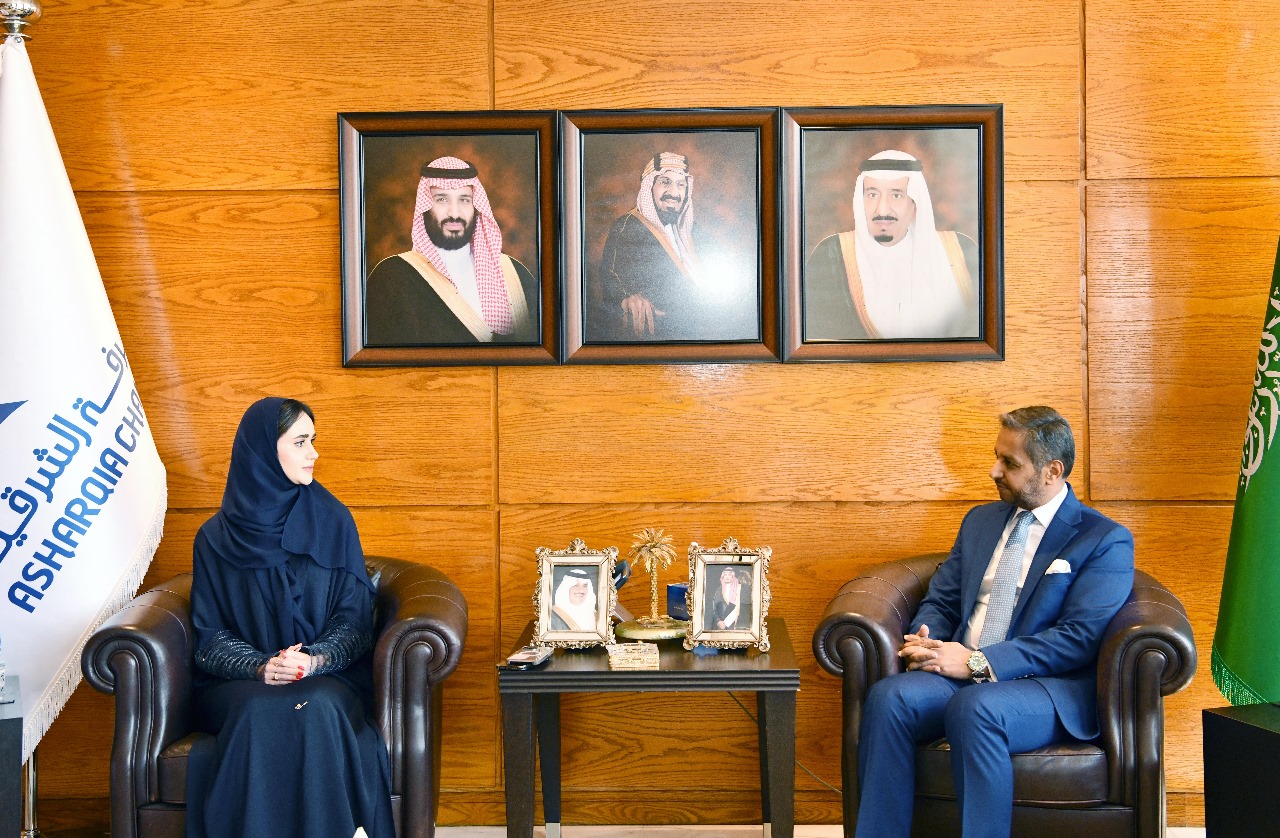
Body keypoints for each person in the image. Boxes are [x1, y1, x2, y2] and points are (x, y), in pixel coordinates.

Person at [854, 406, 1134, 838]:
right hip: (956, 670)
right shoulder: (980, 522)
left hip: (1042, 687)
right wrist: (927, 637)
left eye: (1010, 463)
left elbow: (1078, 638)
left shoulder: (1102, 539)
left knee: (976, 708)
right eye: (996, 457)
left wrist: (978, 662)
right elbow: (943, 599)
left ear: (1052, 471)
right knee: (890, 698)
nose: (994, 471)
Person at [185, 397, 394, 838]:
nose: (313, 453)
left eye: (312, 440)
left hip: (326, 676)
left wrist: (312, 660)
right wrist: (261, 667)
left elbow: (354, 623)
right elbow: (209, 636)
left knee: (313, 705)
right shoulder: (214, 538)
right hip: (241, 683)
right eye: (300, 442)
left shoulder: (333, 521)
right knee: (260, 709)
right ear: (263, 450)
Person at [805, 149, 980, 341]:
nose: (882, 210)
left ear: (915, 203)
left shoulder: (960, 251)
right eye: (872, 195)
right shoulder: (831, 255)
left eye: (896, 195)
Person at [365, 156, 538, 345]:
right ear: (425, 206)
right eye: (441, 199)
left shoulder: (515, 274)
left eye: (464, 200)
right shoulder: (391, 278)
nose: (454, 213)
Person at [593, 151, 753, 342]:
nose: (674, 193)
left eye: (681, 184)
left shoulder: (692, 229)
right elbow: (610, 274)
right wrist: (627, 297)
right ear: (649, 186)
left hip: (707, 330)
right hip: (658, 335)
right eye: (665, 182)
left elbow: (725, 267)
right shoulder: (628, 226)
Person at [705, 566, 752, 631]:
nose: (727, 577)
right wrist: (718, 621)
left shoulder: (740, 588)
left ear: (732, 576)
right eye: (725, 574)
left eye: (729, 574)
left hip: (737, 624)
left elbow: (741, 607)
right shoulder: (719, 590)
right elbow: (714, 608)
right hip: (720, 625)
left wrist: (726, 622)